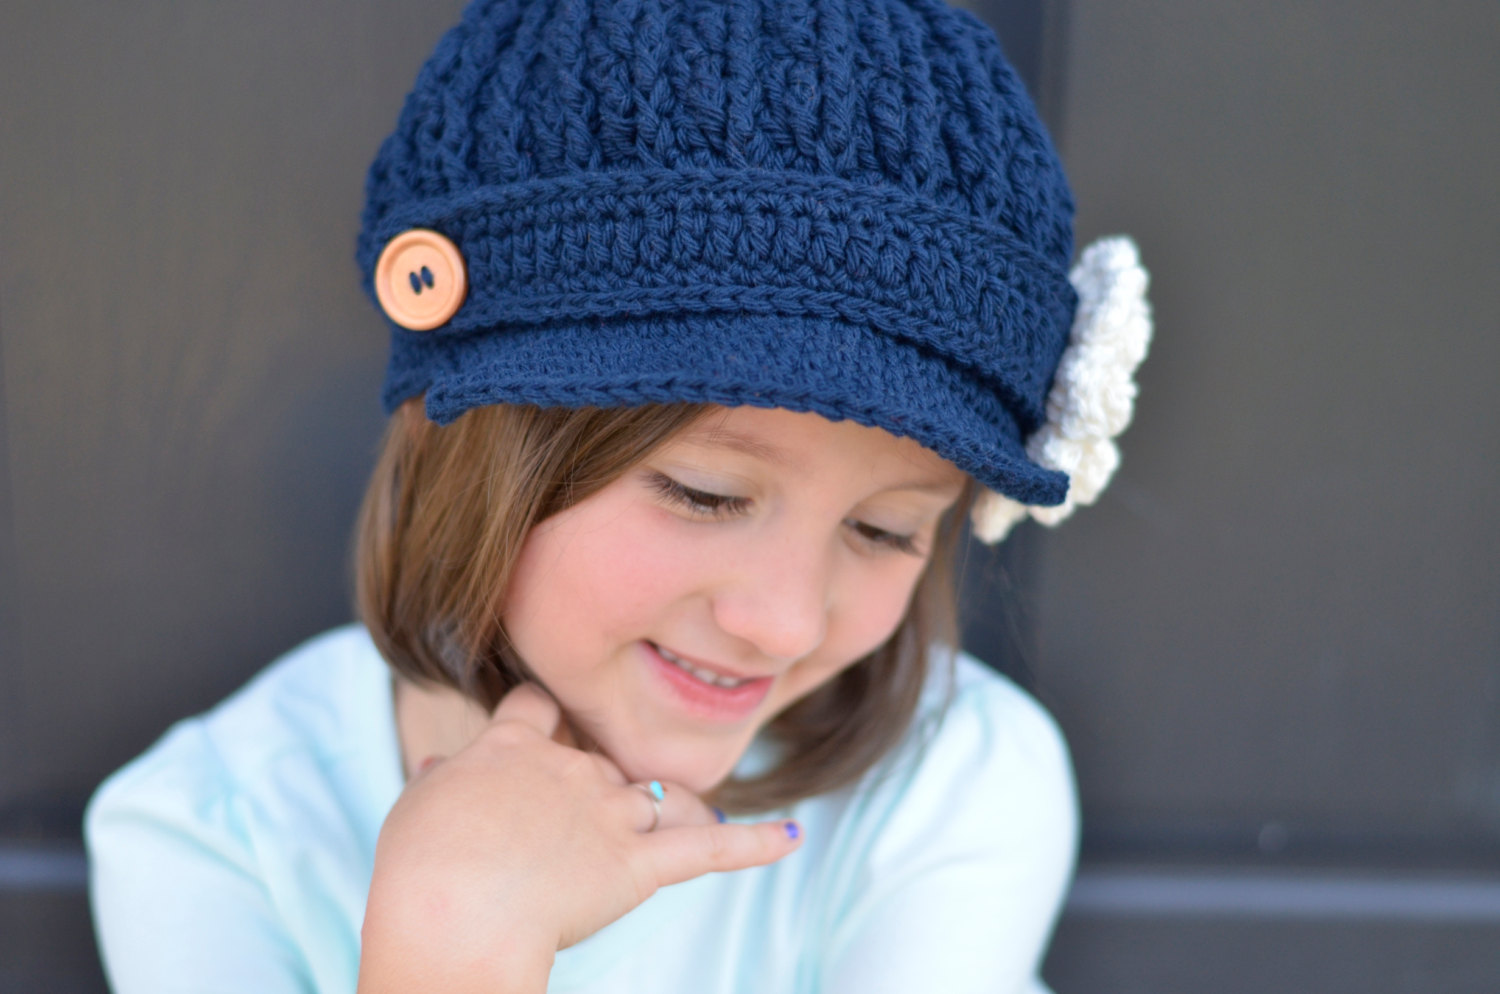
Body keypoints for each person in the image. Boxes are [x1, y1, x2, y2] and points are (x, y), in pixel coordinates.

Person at [85, 0, 1152, 991]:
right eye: (705, 493)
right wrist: (448, 942)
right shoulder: (212, 834)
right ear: (483, 439)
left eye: (885, 529)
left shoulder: (951, 789)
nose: (781, 619)